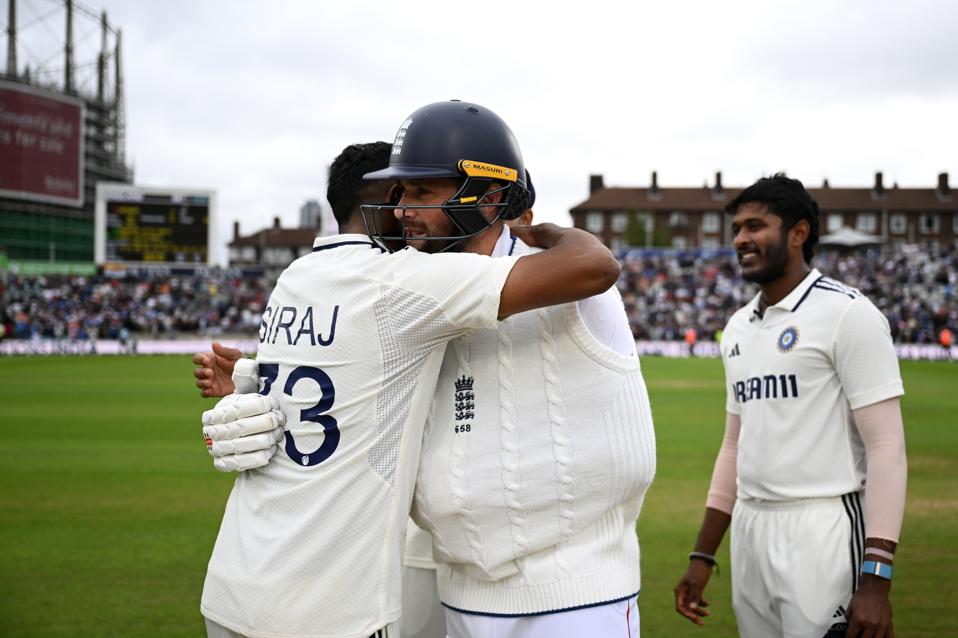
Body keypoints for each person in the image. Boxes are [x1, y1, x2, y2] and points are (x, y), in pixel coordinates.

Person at [197, 136, 620, 638]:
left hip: (232, 583)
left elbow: (333, 373)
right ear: (386, 203)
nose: (413, 212)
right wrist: (542, 229)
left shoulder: (295, 276)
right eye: (409, 194)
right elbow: (593, 268)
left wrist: (245, 378)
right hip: (326, 609)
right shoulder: (406, 281)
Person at [363, 100, 655, 637]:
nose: (403, 209)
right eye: (400, 193)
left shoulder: (565, 278)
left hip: (575, 601)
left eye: (424, 191)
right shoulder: (415, 284)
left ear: (490, 194)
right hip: (459, 594)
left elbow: (593, 266)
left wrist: (565, 237)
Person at [674, 174, 907, 638]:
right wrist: (703, 555)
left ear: (798, 233)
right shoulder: (738, 327)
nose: (741, 239)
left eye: (756, 226)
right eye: (737, 228)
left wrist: (877, 579)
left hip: (822, 526)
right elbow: (733, 447)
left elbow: (887, 447)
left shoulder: (848, 313)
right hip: (750, 528)